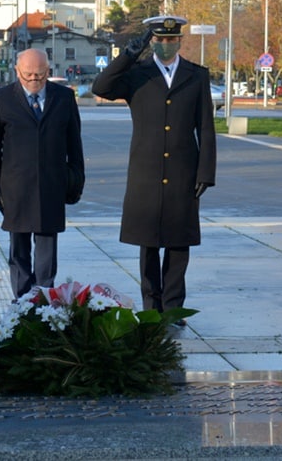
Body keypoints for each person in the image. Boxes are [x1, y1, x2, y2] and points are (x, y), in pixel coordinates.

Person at [92, 16, 216, 324]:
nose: (164, 46)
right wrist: (129, 54)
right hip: (145, 170)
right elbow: (101, 86)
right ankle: (151, 304)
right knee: (147, 243)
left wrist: (205, 172)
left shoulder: (196, 76)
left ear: (179, 42)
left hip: (183, 170)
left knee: (178, 242)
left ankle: (173, 308)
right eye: (158, 41)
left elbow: (206, 127)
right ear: (153, 42)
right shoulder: (138, 74)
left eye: (170, 41)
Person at [0, 49, 85, 298]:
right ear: (17, 72)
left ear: (48, 72)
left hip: (51, 187)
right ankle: (21, 302)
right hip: (15, 189)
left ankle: (43, 302)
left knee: (46, 254)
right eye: (28, 75)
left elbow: (75, 145)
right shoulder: (1, 99)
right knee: (18, 252)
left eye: (40, 76)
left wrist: (75, 182)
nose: (33, 81)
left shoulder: (64, 97)